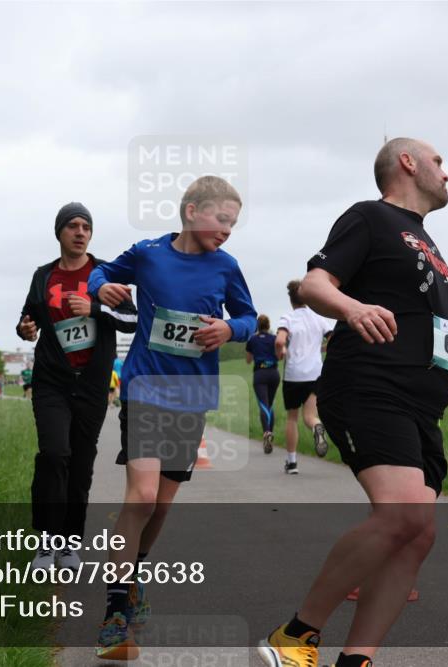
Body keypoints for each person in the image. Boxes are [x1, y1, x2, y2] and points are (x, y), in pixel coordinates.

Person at [257, 138, 448, 667]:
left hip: (422, 402)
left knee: (417, 534)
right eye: (439, 161)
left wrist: (447, 370)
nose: (446, 173)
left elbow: (418, 321)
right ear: (408, 162)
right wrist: (352, 309)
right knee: (402, 517)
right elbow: (315, 284)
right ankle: (295, 634)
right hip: (369, 386)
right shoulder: (370, 217)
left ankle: (356, 659)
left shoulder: (427, 241)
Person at [88, 175, 257, 659]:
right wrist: (104, 288)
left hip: (191, 396)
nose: (227, 229)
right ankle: (115, 615)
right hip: (145, 387)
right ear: (191, 211)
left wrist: (229, 328)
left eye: (233, 223)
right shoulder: (148, 253)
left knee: (160, 507)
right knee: (141, 497)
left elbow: (248, 318)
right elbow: (101, 273)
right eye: (221, 219)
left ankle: (134, 574)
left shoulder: (226, 266)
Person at [16, 202, 138, 572]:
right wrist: (25, 329)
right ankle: (46, 542)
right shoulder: (43, 276)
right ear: (60, 232)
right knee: (54, 455)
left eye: (86, 226)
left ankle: (69, 543)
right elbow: (28, 317)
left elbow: (131, 320)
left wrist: (94, 309)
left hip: (91, 383)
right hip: (52, 380)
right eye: (73, 226)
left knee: (81, 462)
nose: (80, 232)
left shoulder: (106, 274)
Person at [275, 280, 332, 474]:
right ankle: (317, 426)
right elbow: (333, 339)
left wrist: (280, 353)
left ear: (291, 300)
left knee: (292, 418)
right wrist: (321, 349)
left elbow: (280, 341)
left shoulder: (288, 318)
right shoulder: (318, 318)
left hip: (293, 375)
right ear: (306, 298)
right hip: (316, 373)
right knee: (310, 416)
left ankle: (292, 463)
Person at [245, 314, 280, 454]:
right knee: (270, 405)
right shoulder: (274, 338)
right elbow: (279, 355)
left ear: (257, 326)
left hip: (260, 374)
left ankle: (266, 432)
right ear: (268, 325)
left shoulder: (252, 339)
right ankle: (270, 432)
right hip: (274, 374)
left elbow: (248, 360)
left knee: (263, 405)